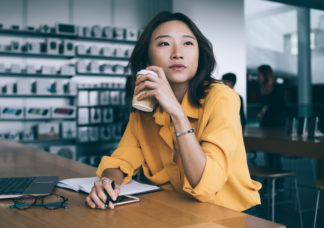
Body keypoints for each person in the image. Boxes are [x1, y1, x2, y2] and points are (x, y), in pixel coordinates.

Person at [86, 11, 261, 212]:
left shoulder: (221, 97)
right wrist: (107, 182)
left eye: (188, 43)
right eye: (164, 44)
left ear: (199, 53)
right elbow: (121, 160)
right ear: (147, 57)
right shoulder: (145, 107)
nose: (178, 53)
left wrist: (177, 114)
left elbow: (206, 185)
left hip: (229, 214)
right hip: (179, 211)